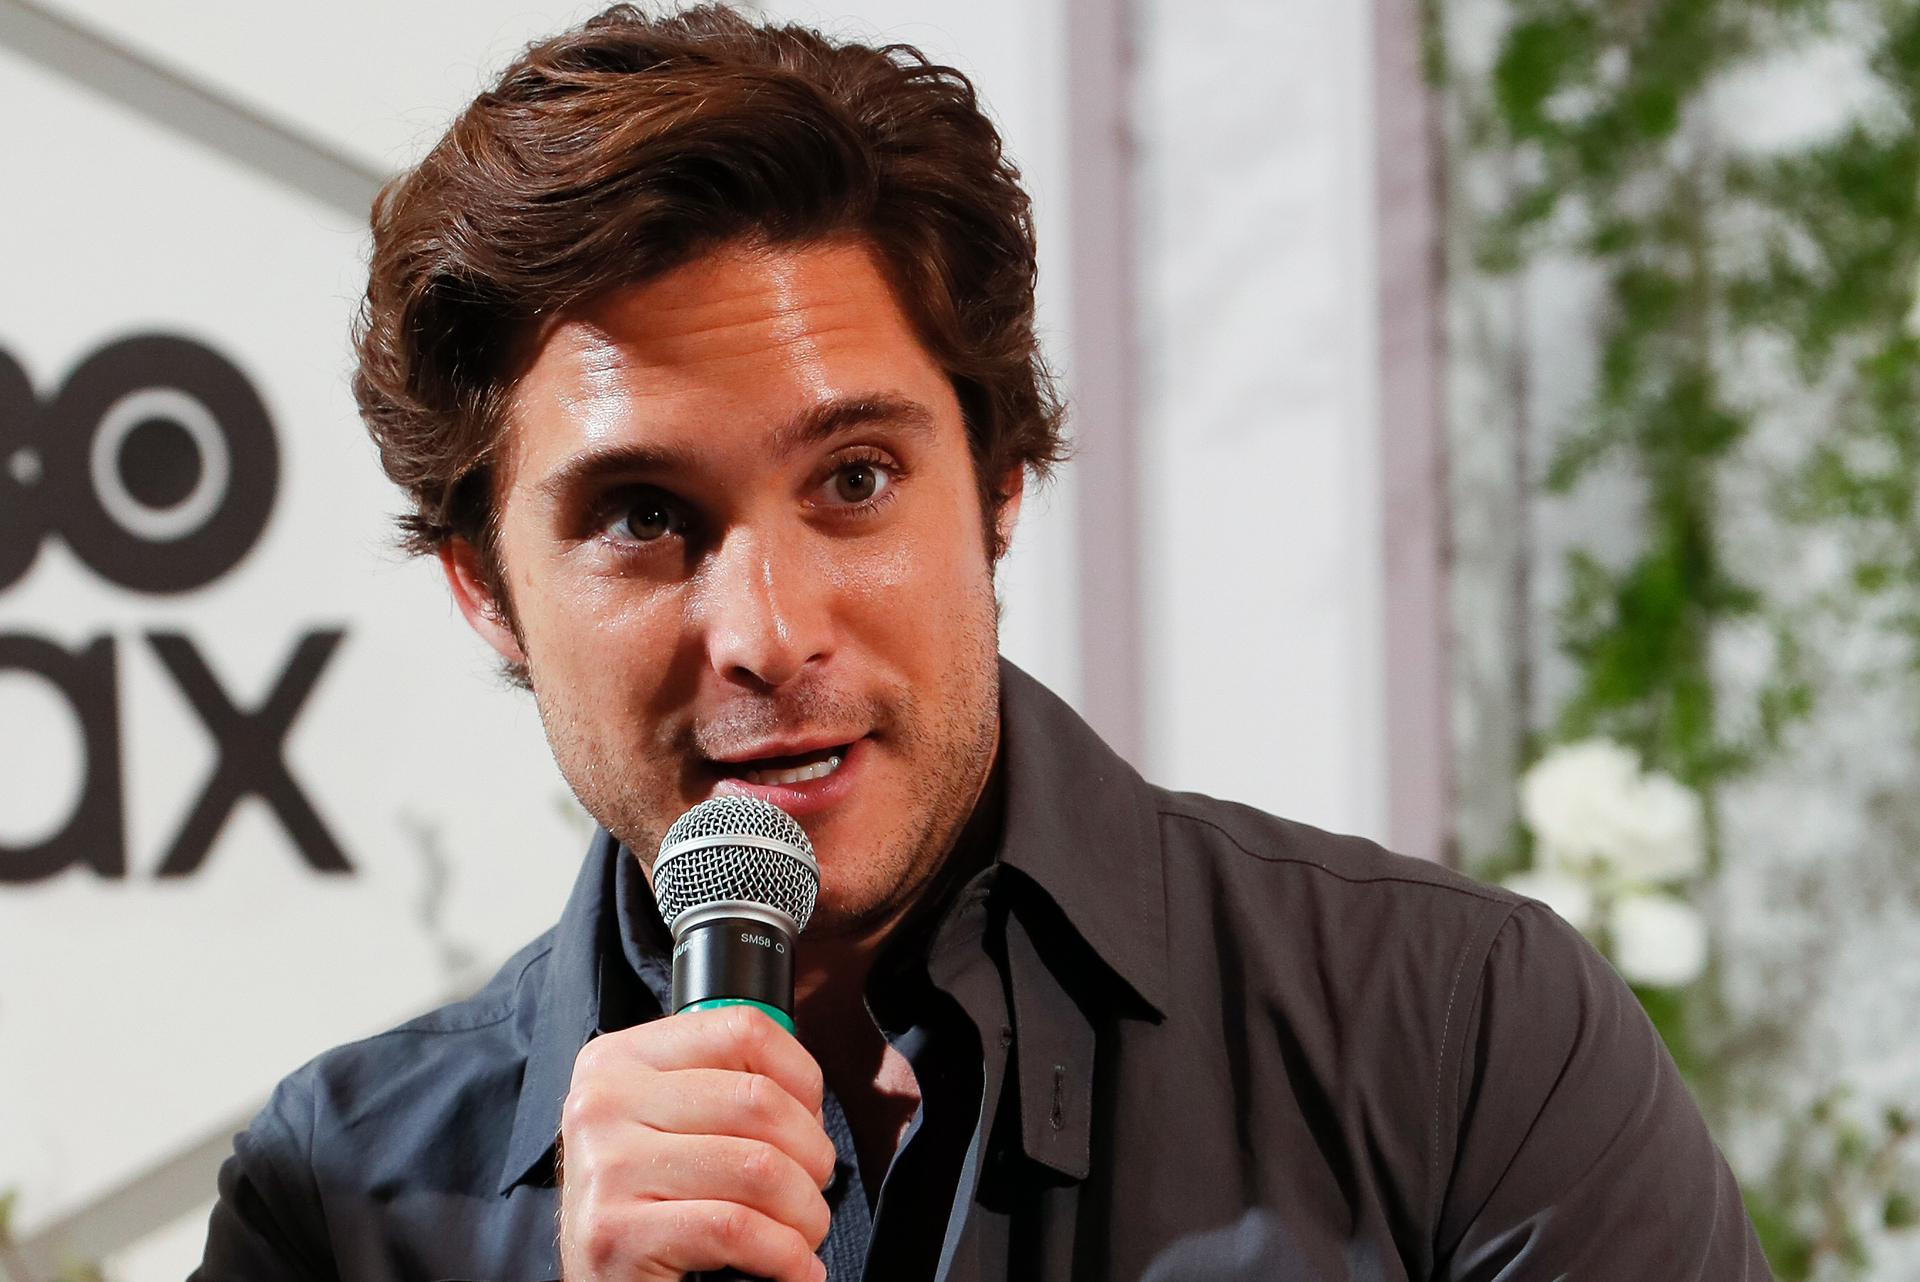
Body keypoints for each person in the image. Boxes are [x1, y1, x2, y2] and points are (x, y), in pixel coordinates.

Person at [194, 6, 1772, 1281]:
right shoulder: (338, 1201)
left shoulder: (1456, 1036)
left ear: (1001, 481)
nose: (767, 632)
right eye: (643, 515)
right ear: (484, 585)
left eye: (853, 480)